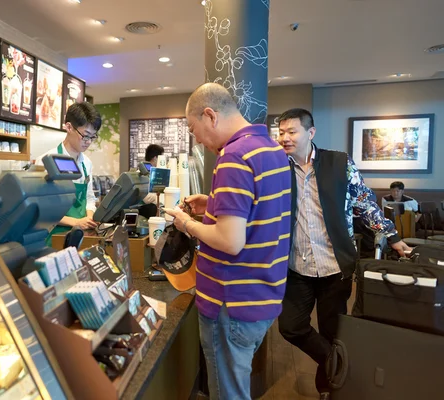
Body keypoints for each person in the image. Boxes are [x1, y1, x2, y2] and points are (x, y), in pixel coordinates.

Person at [165, 83, 291, 400]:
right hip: (263, 293)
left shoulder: (234, 156)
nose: (197, 140)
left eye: (195, 130)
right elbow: (261, 210)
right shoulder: (270, 149)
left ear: (210, 115)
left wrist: (186, 223)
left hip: (231, 302)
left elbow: (230, 241)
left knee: (228, 394)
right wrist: (214, 204)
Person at [275, 108, 411, 400]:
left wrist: (393, 237)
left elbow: (365, 203)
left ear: (310, 133)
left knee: (332, 331)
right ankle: (336, 362)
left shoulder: (338, 162)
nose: (285, 138)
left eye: (291, 132)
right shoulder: (275, 166)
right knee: (290, 326)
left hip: (335, 266)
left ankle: (328, 389)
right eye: (281, 132)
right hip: (295, 265)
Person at [36, 102, 102, 243]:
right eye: (85, 135)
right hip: (54, 237)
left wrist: (89, 217)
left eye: (93, 137)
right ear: (69, 127)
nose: (88, 142)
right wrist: (74, 222)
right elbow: (42, 209)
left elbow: (90, 198)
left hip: (82, 235)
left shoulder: (87, 163)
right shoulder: (46, 161)